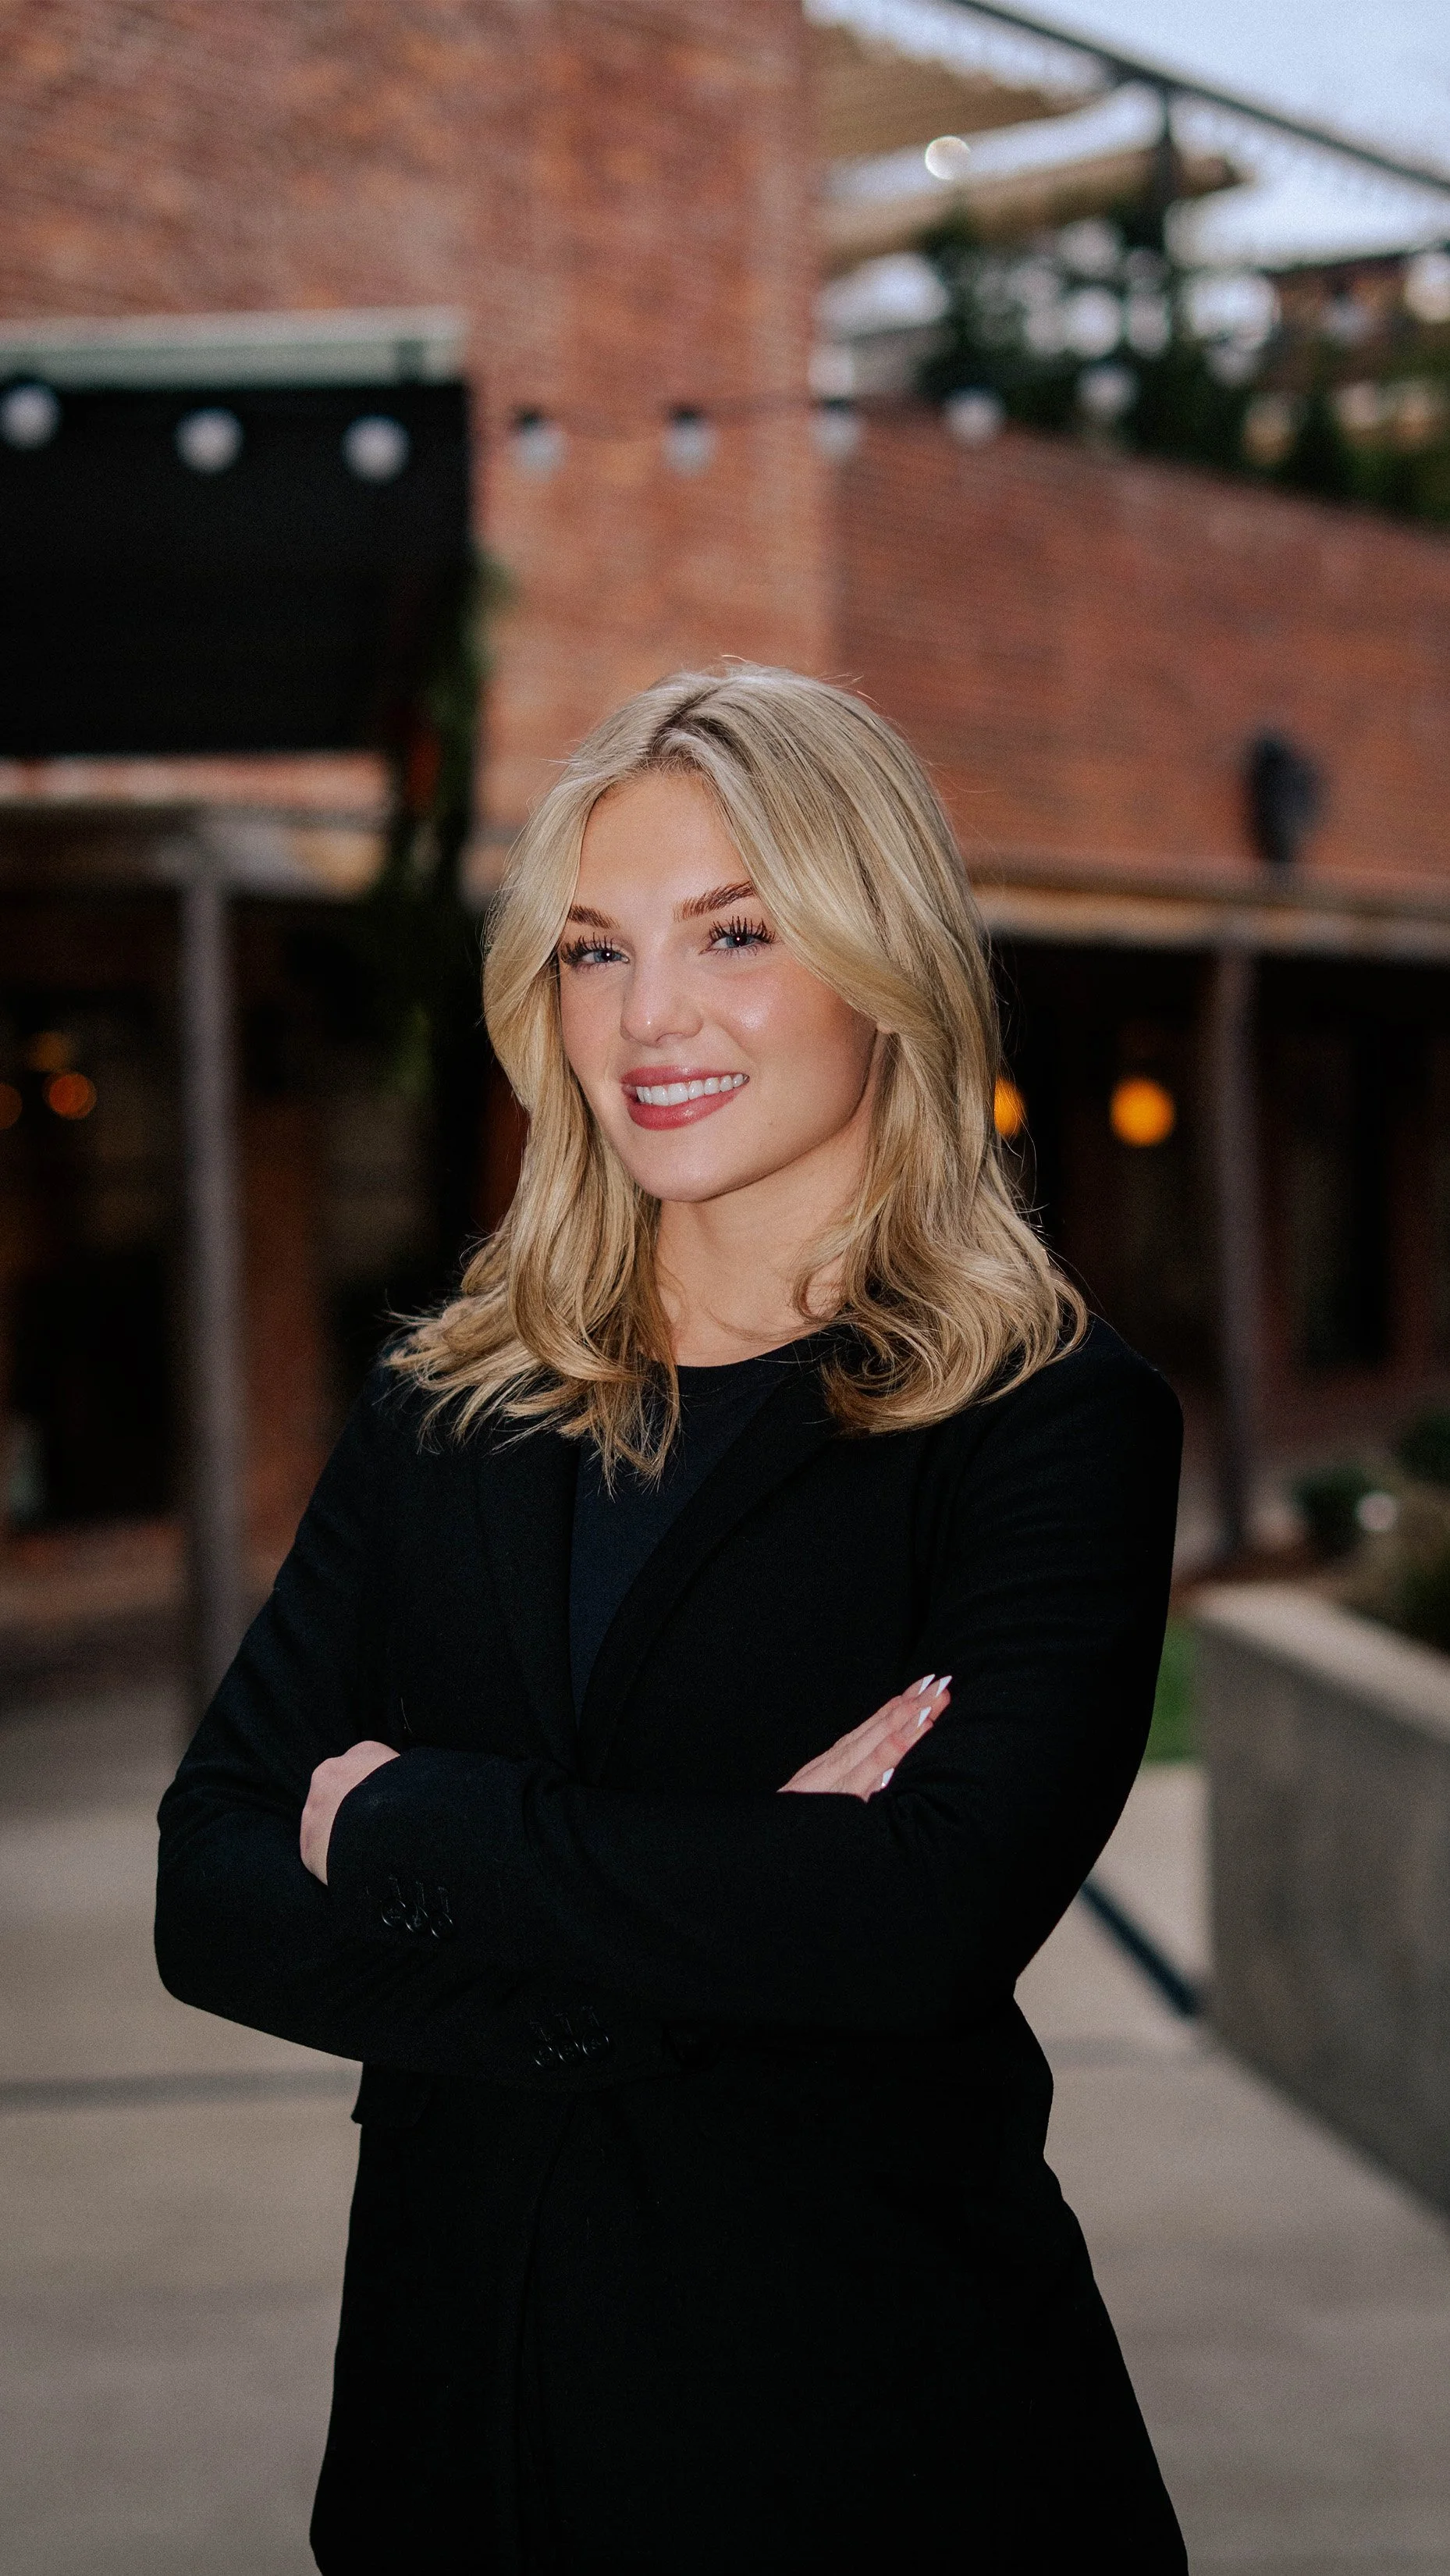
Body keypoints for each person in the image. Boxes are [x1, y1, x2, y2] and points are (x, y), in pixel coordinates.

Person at [155, 665, 1185, 2575]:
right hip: (454, 2448)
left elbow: (918, 1922)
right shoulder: (451, 1406)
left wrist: (413, 1826)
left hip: (869, 2451)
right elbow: (208, 1889)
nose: (648, 1019)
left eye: (733, 933)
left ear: (881, 962)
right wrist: (719, 1909)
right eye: (591, 950)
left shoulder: (1040, 1424)